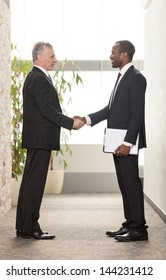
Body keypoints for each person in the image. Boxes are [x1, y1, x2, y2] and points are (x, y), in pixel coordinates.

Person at [76, 40, 148, 242]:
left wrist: (128, 143)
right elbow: (110, 110)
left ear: (124, 54)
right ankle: (130, 222)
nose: (110, 55)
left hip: (126, 144)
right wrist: (87, 119)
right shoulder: (121, 77)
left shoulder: (136, 78)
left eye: (113, 52)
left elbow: (137, 115)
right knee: (124, 183)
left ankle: (139, 228)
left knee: (131, 183)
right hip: (117, 142)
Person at [16, 42, 84, 240]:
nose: (55, 60)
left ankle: (24, 226)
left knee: (30, 183)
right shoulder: (38, 78)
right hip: (40, 139)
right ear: (39, 58)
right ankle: (30, 227)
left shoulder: (37, 76)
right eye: (52, 56)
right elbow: (48, 110)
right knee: (34, 184)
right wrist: (71, 123)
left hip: (38, 139)